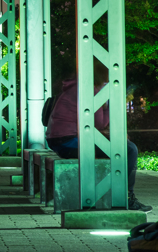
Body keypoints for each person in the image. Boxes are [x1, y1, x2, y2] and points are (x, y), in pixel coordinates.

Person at [46, 77, 151, 212]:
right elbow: (100, 123)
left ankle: (119, 192)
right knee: (130, 149)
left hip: (60, 140)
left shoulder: (78, 88)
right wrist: (114, 104)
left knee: (123, 146)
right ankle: (127, 197)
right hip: (68, 143)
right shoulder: (90, 91)